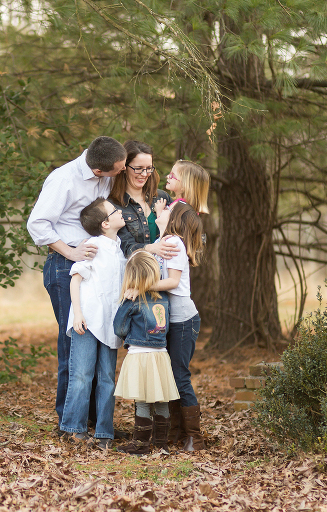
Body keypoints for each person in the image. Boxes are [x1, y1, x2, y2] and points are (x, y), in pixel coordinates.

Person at [27, 137, 127, 431]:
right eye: (118, 170)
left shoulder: (105, 175)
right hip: (65, 265)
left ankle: (95, 422)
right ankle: (68, 422)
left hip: (95, 265)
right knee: (73, 344)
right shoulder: (63, 180)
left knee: (97, 342)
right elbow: (37, 224)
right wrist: (71, 252)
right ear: (99, 170)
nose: (120, 173)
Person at [59, 198, 126, 450]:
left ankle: (104, 432)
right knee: (82, 375)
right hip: (86, 320)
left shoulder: (118, 247)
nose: (122, 212)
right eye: (115, 211)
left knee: (107, 378)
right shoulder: (93, 245)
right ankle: (73, 428)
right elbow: (75, 280)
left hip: (109, 324)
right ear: (105, 223)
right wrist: (77, 314)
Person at [150, 201, 206, 451]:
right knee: (171, 376)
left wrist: (142, 286)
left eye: (167, 209)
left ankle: (194, 437)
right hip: (171, 319)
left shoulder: (173, 242)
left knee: (179, 376)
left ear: (174, 219)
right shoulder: (166, 240)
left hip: (183, 319)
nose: (162, 208)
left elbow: (171, 282)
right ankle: (176, 433)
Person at [113, 251, 180, 456]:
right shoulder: (164, 298)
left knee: (142, 399)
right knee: (161, 398)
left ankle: (141, 444)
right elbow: (165, 328)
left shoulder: (132, 300)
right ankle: (161, 444)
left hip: (140, 355)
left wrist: (125, 304)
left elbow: (120, 329)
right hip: (160, 355)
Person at [109, 141, 178, 258]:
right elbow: (125, 245)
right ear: (124, 168)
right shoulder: (113, 205)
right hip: (135, 272)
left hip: (167, 270)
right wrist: (152, 248)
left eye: (149, 168)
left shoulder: (162, 197)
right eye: (138, 168)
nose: (145, 174)